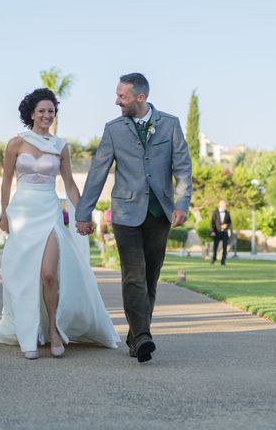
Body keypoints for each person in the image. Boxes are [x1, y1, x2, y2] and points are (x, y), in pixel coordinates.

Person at [0, 88, 120, 360]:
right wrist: (2, 215)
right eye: (42, 111)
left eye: (51, 111)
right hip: (23, 214)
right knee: (25, 277)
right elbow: (5, 182)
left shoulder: (61, 146)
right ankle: (28, 333)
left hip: (49, 211)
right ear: (31, 114)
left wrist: (83, 212)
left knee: (49, 274)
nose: (47, 115)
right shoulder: (16, 143)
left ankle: (53, 330)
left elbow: (70, 184)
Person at [75, 73, 192, 363]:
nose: (117, 101)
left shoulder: (171, 124)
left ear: (140, 97)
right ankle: (142, 337)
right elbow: (98, 172)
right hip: (126, 214)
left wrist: (182, 204)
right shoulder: (113, 129)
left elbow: (183, 168)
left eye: (122, 96)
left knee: (150, 278)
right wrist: (83, 213)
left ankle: (136, 334)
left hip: (159, 214)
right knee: (134, 274)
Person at [210, 200, 232, 265]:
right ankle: (214, 258)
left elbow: (230, 222)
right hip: (217, 232)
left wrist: (227, 225)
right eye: (223, 204)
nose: (224, 205)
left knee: (225, 247)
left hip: (225, 233)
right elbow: (212, 223)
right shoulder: (215, 212)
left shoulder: (227, 213)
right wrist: (212, 231)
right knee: (215, 247)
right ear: (220, 205)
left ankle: (223, 260)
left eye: (225, 204)